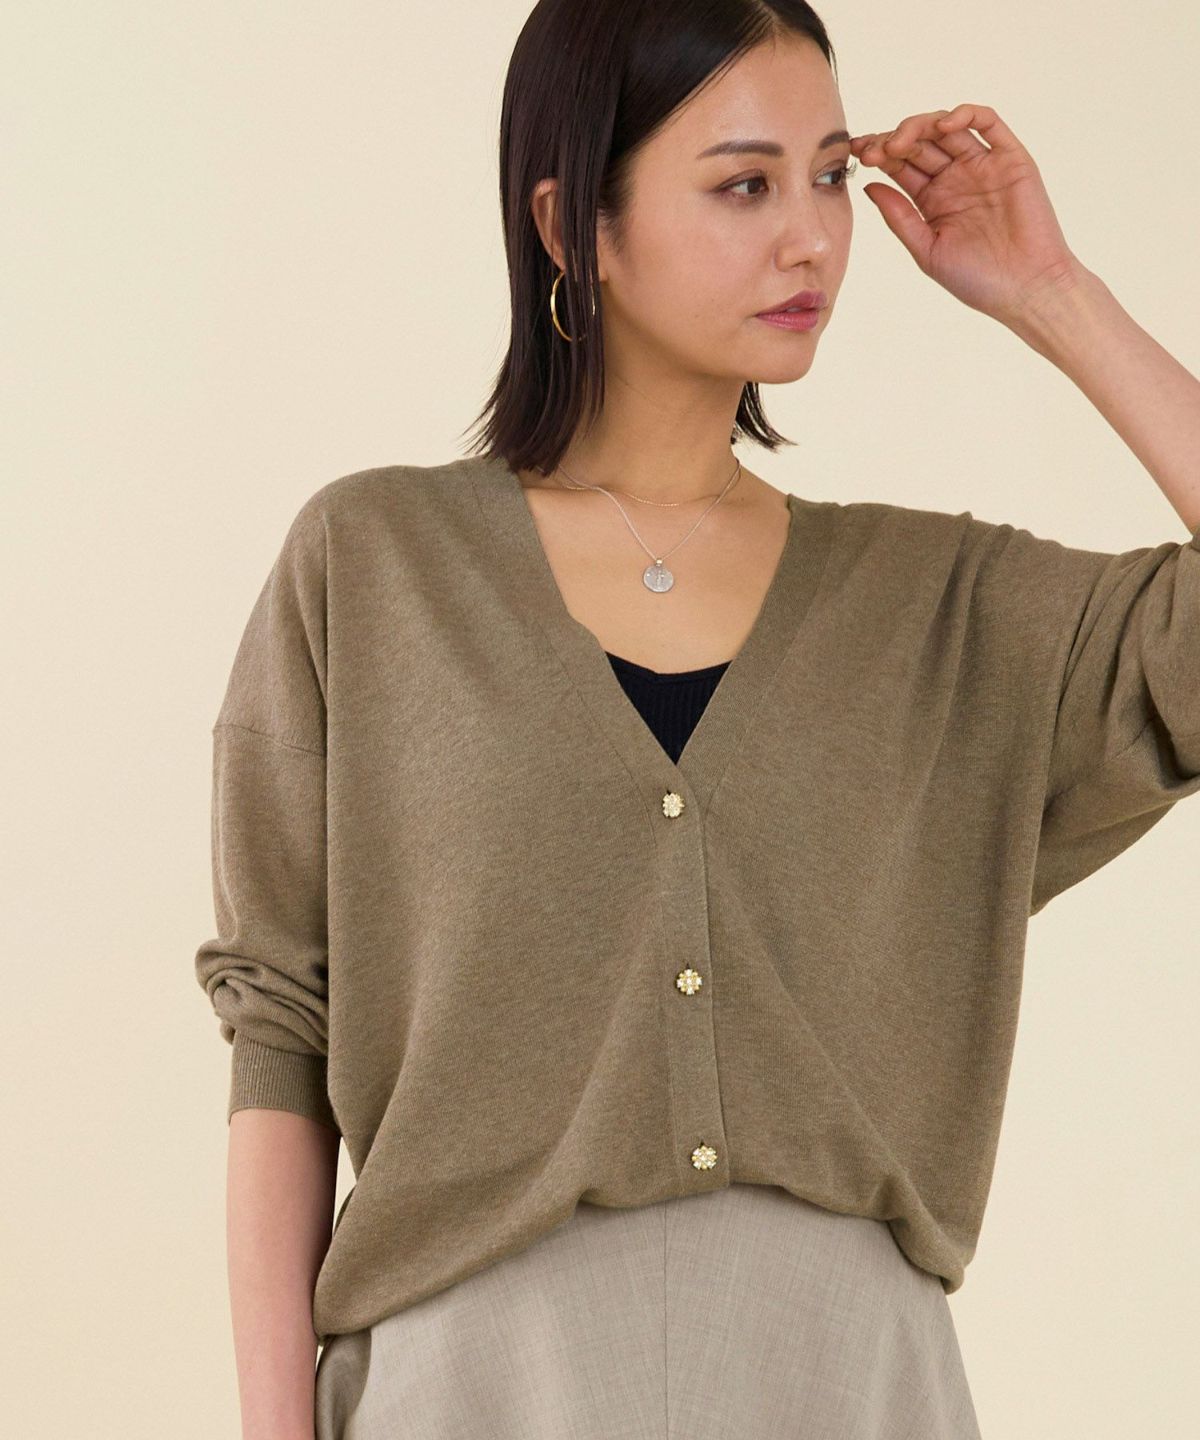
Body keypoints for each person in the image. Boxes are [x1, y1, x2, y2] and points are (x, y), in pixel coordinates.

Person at [194, 3, 1200, 1437]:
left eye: (831, 177)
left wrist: (1054, 293)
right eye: (743, 186)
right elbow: (280, 1030)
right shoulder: (376, 564)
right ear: (572, 224)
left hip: (843, 1386)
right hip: (475, 1388)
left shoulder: (942, 610)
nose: (811, 238)